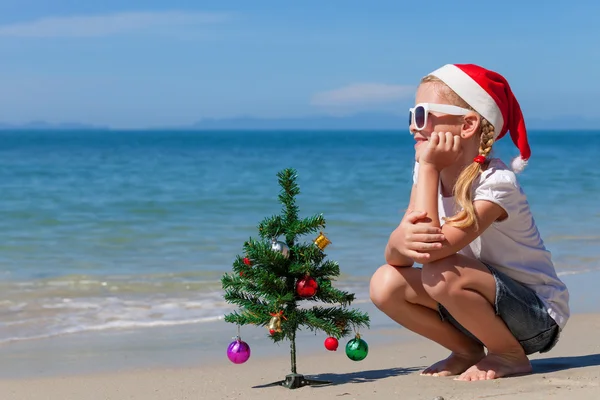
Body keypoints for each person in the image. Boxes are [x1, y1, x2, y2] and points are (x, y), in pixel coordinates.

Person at [369, 64, 570, 381]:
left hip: (534, 318)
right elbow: (399, 257)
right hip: (474, 309)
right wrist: (397, 242)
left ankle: (509, 354)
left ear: (467, 125)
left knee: (439, 270)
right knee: (385, 283)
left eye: (423, 115)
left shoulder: (496, 183)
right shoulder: (426, 174)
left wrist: (430, 169)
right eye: (411, 116)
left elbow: (433, 251)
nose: (412, 127)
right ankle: (466, 350)